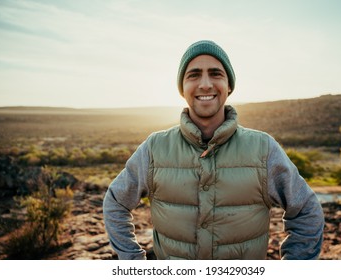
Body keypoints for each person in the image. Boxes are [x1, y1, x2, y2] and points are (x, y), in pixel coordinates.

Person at [103, 40, 325, 260]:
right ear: (182, 88)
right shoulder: (154, 148)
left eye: (216, 73)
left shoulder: (263, 149)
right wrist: (132, 263)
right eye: (194, 75)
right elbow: (116, 201)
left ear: (229, 85)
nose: (205, 84)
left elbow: (306, 210)